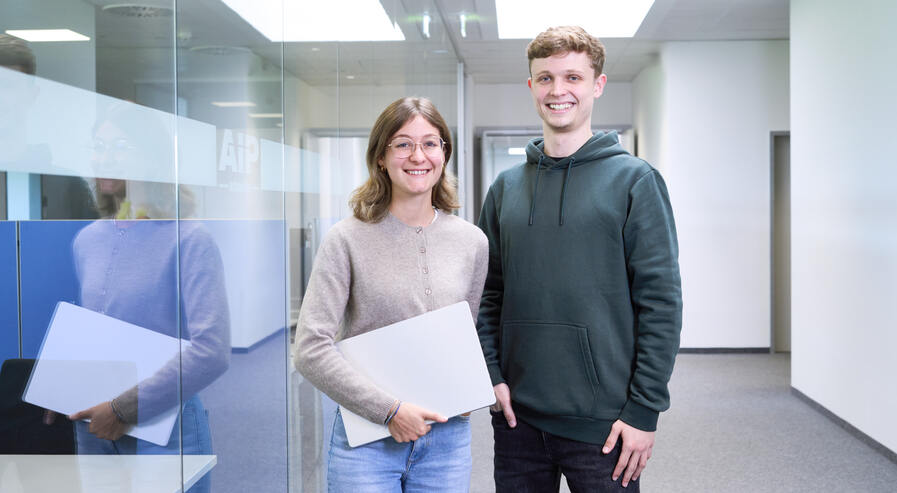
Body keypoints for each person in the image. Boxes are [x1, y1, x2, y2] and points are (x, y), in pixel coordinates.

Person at [476, 26, 682, 492]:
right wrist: (491, 375)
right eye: (545, 78)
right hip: (517, 421)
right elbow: (488, 294)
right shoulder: (505, 189)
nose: (558, 90)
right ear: (532, 87)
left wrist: (644, 410)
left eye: (572, 76)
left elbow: (661, 304)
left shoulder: (635, 181)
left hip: (605, 427)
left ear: (597, 85)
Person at [293, 96, 488, 493]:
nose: (418, 155)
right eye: (402, 143)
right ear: (381, 156)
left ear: (444, 154)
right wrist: (390, 412)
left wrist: (467, 388)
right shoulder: (345, 239)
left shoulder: (472, 242)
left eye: (431, 143)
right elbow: (310, 349)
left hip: (447, 441)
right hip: (367, 440)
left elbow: (465, 335)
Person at [66, 105, 230, 493]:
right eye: (98, 145)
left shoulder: (189, 240)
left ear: (151, 159)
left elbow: (212, 351)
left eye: (120, 145)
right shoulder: (88, 240)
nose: (105, 156)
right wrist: (61, 389)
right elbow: (95, 331)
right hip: (94, 424)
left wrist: (123, 409)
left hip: (166, 426)